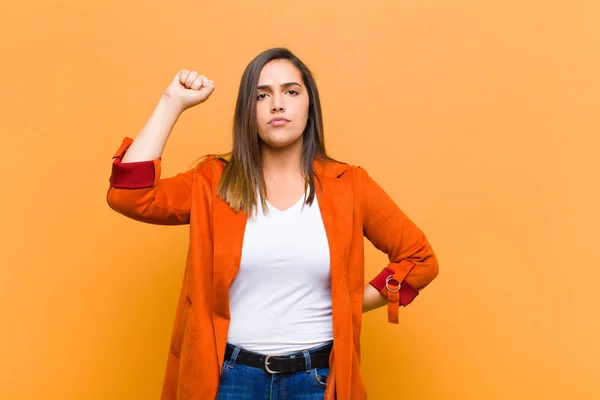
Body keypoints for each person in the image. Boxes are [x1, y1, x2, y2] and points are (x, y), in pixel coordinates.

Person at [107, 47, 439, 400]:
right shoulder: (212, 182)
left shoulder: (350, 185)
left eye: (291, 92)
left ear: (309, 106)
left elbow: (420, 260)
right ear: (247, 112)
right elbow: (129, 196)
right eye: (261, 95)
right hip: (229, 380)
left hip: (318, 380)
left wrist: (349, 302)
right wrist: (171, 102)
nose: (277, 104)